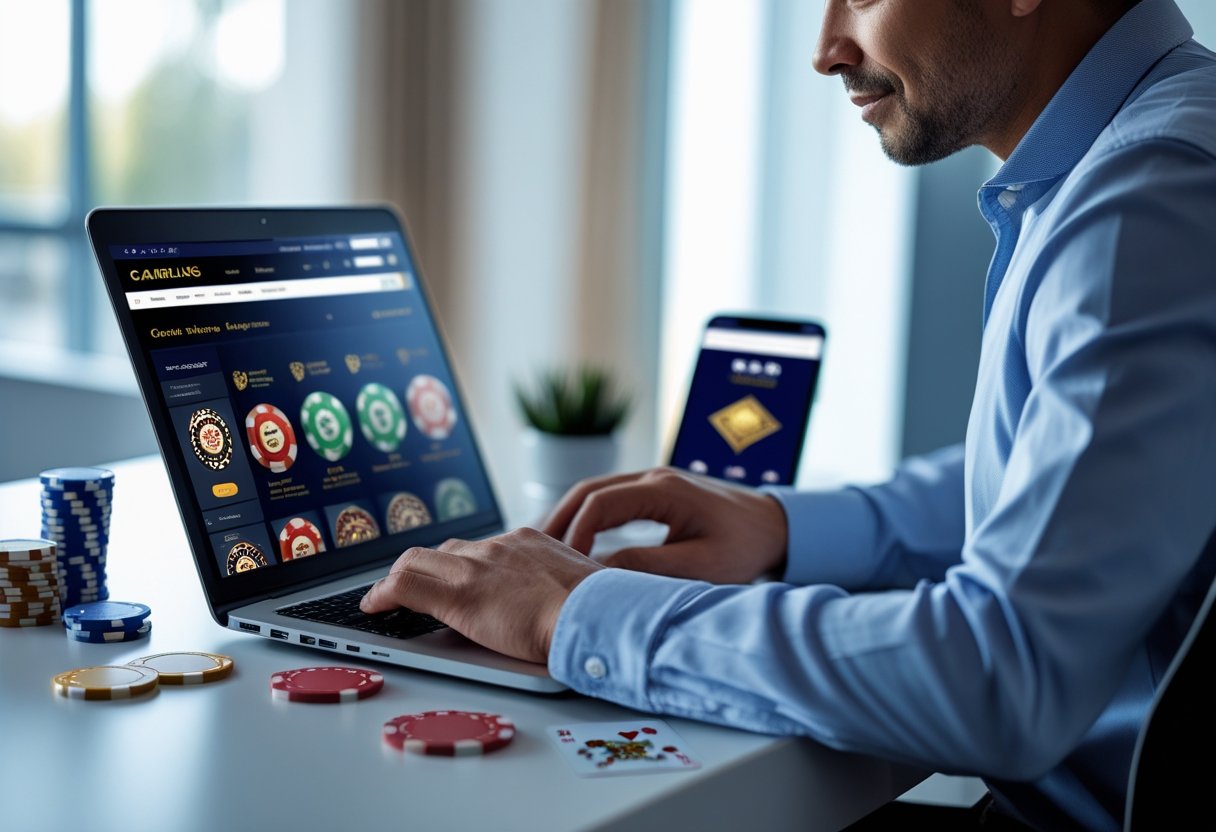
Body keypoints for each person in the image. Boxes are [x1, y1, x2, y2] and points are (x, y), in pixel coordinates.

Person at [361, 0, 1216, 829]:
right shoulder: (1138, 157)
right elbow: (1061, 472)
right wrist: (783, 528)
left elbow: (999, 678)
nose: (826, 48)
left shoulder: (1145, 201)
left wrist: (575, 613)